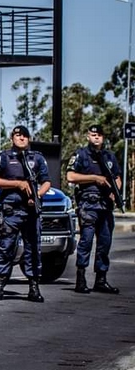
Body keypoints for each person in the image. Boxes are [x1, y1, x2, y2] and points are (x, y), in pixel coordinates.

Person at [0, 125, 51, 302]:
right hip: (12, 210)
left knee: (33, 249)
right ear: (12, 138)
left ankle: (34, 287)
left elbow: (46, 182)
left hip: (31, 211)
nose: (21, 138)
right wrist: (18, 184)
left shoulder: (37, 158)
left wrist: (37, 196)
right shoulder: (3, 157)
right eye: (18, 135)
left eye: (25, 136)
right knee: (6, 247)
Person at [66, 124, 122, 294]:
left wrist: (114, 192)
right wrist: (94, 178)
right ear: (88, 136)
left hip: (105, 205)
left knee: (105, 243)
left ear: (103, 137)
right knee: (86, 241)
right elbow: (70, 176)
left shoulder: (109, 156)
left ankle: (101, 280)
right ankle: (81, 279)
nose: (96, 137)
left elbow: (117, 178)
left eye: (99, 135)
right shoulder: (81, 154)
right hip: (88, 204)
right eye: (93, 134)